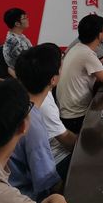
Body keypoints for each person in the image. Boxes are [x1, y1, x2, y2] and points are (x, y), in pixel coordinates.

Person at [16, 43, 76, 183]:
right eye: (60, 66)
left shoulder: (31, 91)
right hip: (55, 163)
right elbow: (44, 177)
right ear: (53, 79)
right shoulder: (41, 109)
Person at [2, 8, 33, 76]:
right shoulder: (14, 42)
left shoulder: (19, 36)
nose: (27, 19)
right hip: (24, 76)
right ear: (17, 24)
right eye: (24, 18)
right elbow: (28, 63)